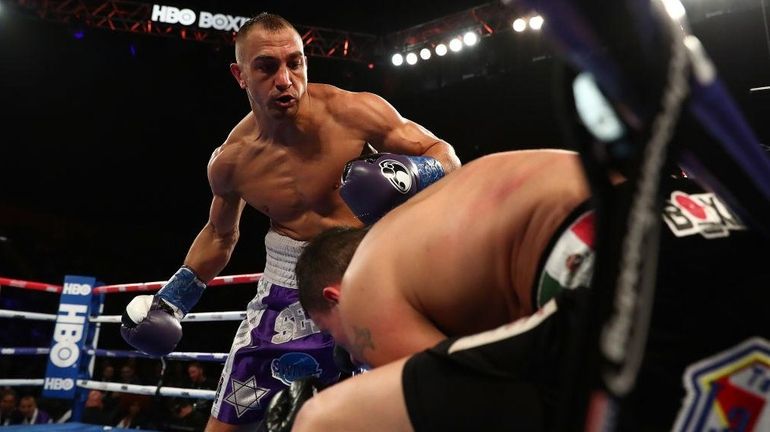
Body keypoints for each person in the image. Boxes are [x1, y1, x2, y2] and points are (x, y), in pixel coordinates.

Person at [118, 11, 460, 431]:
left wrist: (408, 174)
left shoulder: (353, 112)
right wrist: (173, 299)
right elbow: (221, 235)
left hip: (367, 280)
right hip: (284, 292)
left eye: (294, 63)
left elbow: (443, 155)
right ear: (239, 75)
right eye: (266, 67)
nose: (285, 79)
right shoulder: (232, 161)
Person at [286, 149, 770, 431]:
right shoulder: (445, 213)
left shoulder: (365, 289)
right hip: (716, 222)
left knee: (323, 421)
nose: (349, 349)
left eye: (334, 335)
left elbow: (478, 410)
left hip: (626, 284)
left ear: (334, 296)